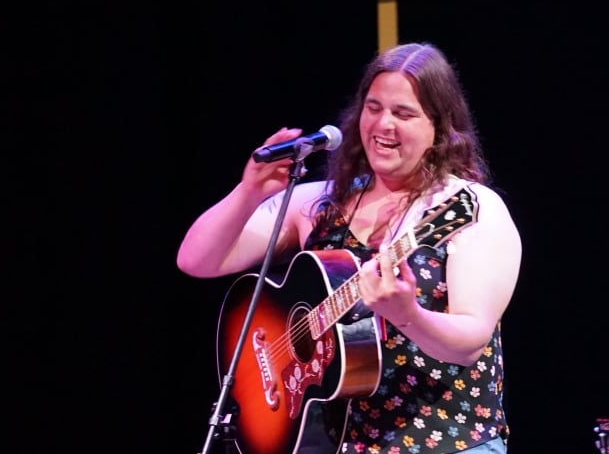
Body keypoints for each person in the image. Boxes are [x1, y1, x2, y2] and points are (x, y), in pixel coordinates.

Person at [177, 42, 522, 453]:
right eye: (374, 108)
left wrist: (407, 314)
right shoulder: (319, 204)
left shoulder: (469, 209)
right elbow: (196, 259)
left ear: (440, 127)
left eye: (404, 113)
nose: (383, 125)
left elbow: (470, 340)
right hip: (332, 444)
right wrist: (249, 191)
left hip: (445, 441)